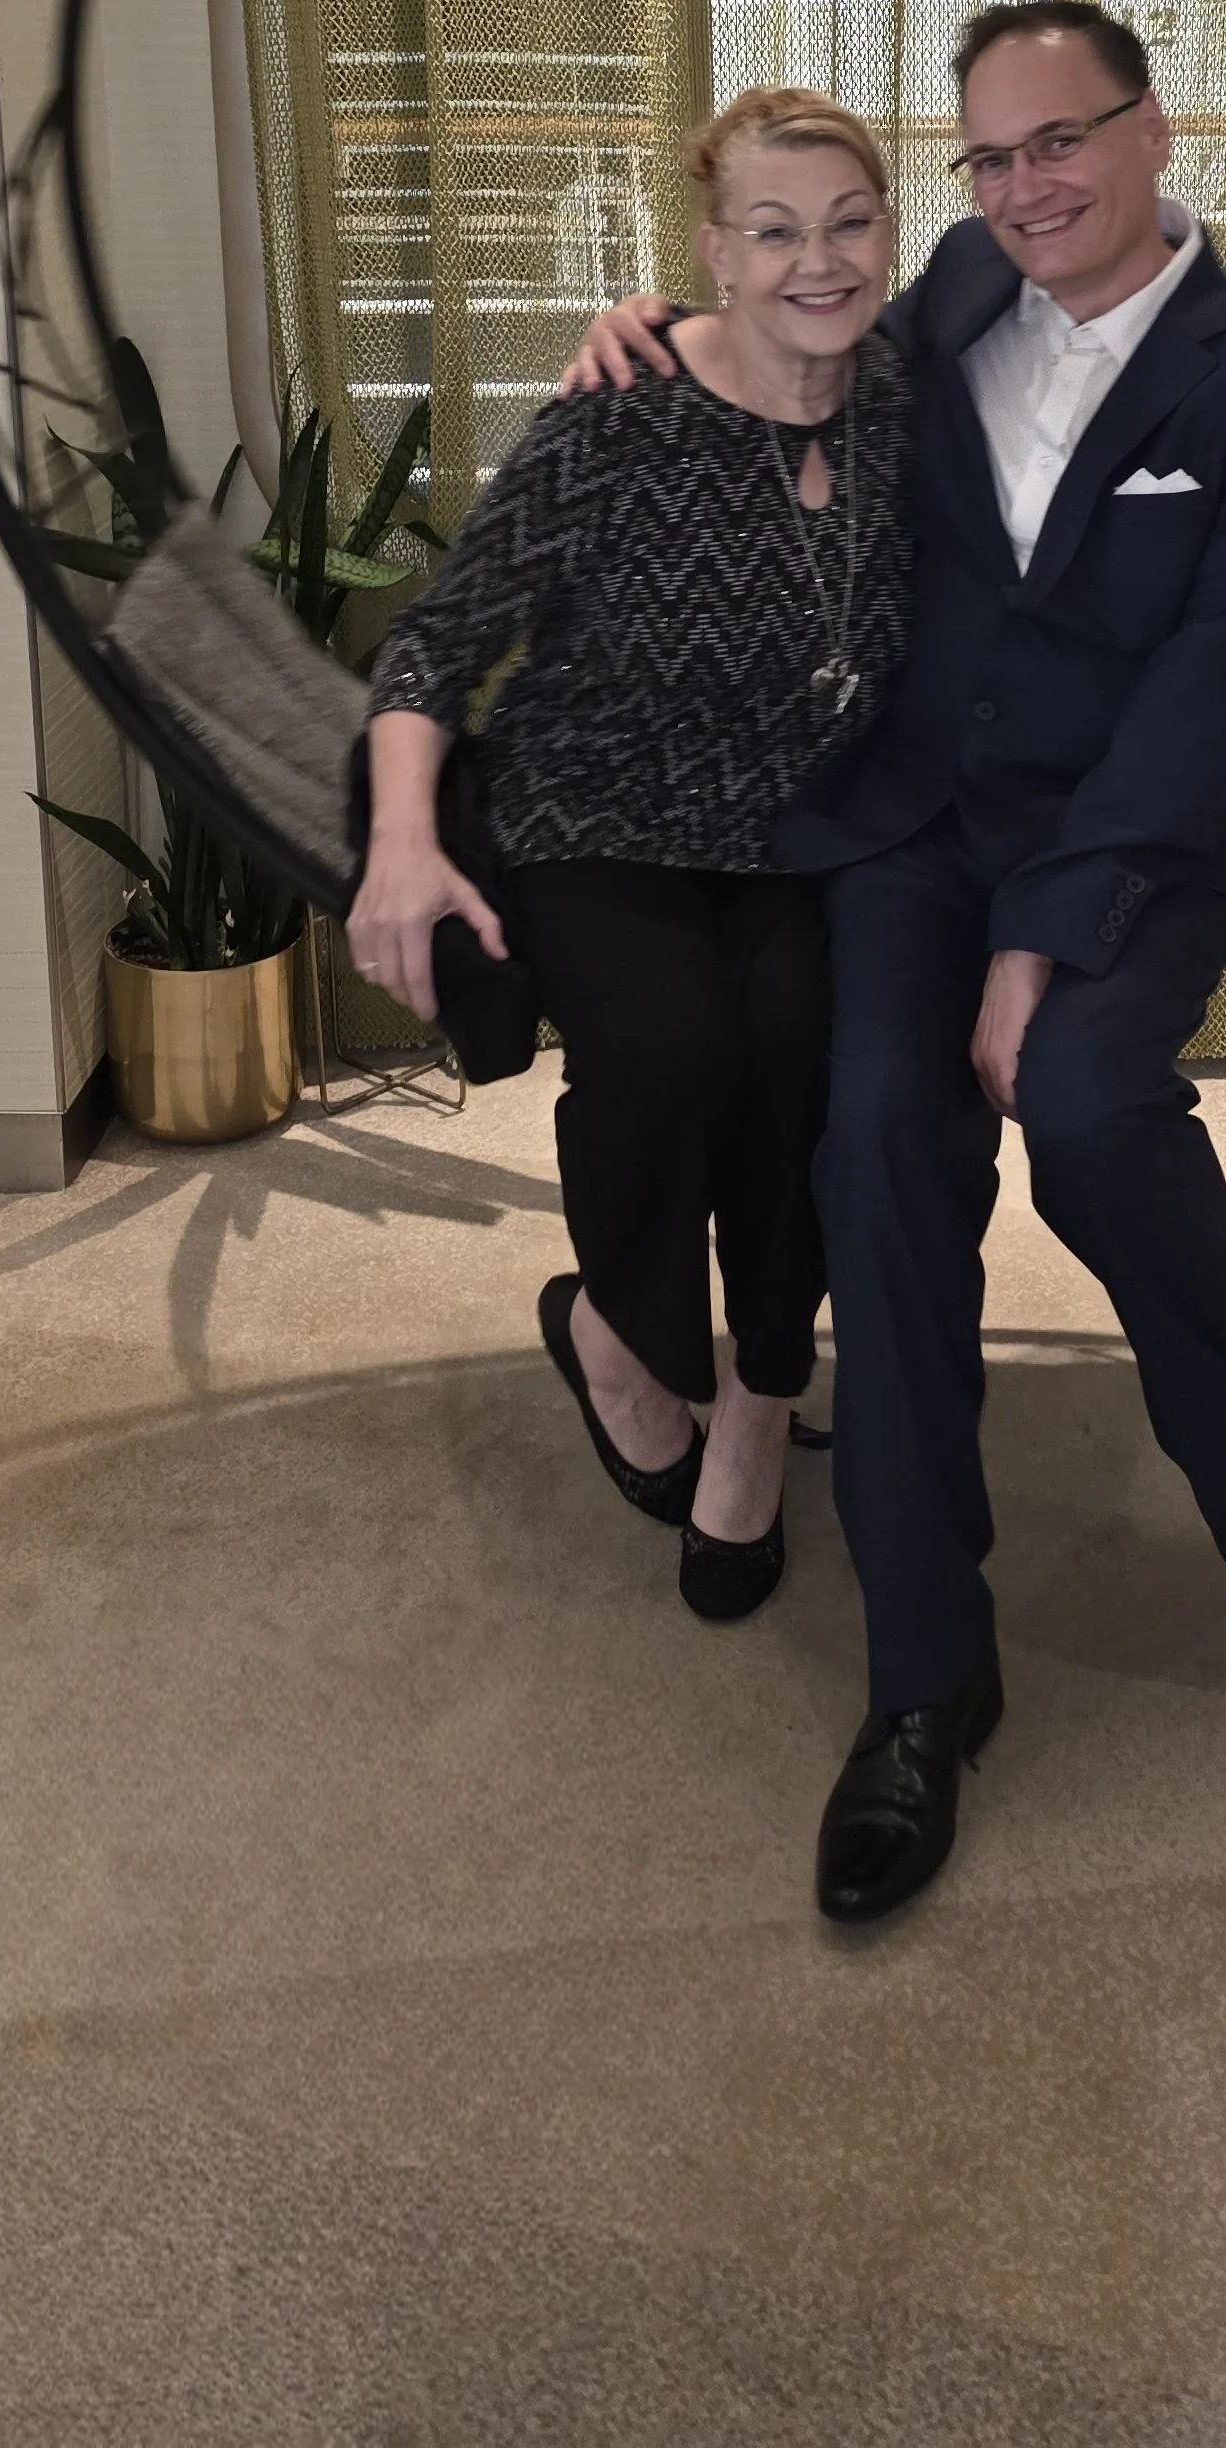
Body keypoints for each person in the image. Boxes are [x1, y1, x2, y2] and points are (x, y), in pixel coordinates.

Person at [572, 0, 1226, 1918]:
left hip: (1139, 835)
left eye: (1062, 143)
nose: (1025, 189)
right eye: (991, 156)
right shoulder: (944, 288)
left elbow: (1215, 704)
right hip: (922, 821)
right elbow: (779, 305)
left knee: (1091, 1105)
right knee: (875, 1146)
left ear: (1158, 132)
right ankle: (927, 1677)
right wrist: (640, 335)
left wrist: (1038, 956)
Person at [349, 86, 907, 1624]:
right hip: (596, 809)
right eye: (776, 231)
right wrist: (403, 842)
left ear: (890, 234)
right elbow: (436, 644)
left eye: (850, 223)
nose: (820, 260)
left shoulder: (918, 393)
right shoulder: (622, 408)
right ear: (716, 254)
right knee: (666, 1050)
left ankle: (757, 1400)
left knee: (805, 1051)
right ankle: (621, 1332)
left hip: (805, 831)